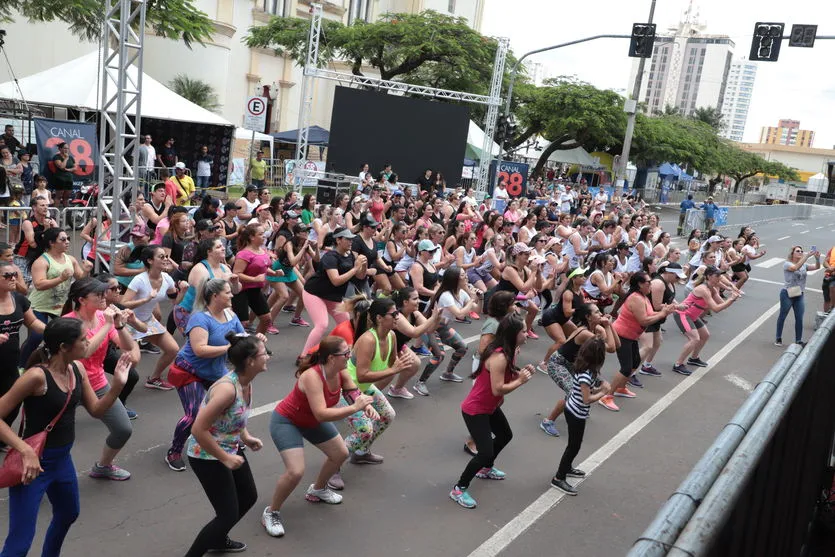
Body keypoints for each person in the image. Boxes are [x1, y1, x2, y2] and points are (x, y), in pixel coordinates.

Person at [0, 317, 131, 557]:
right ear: (63, 347)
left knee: (68, 514)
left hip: (62, 461)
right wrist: (25, 450)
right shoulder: (36, 377)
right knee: (19, 544)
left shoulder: (77, 369)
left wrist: (117, 386)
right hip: (33, 467)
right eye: (82, 339)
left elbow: (96, 410)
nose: (88, 342)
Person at [262, 337, 378, 537]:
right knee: (296, 472)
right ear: (332, 358)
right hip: (287, 422)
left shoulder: (340, 371)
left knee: (340, 453)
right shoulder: (312, 377)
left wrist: (365, 405)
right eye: (345, 354)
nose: (349, 356)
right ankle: (271, 512)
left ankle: (317, 489)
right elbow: (321, 414)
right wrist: (354, 408)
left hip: (311, 421)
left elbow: (352, 391)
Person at [183, 333, 267, 556]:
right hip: (207, 455)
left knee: (248, 496)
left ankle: (217, 538)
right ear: (250, 361)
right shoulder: (226, 389)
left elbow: (234, 416)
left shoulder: (245, 382)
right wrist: (225, 457)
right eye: (263, 354)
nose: (267, 356)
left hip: (229, 447)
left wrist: (245, 437)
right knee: (227, 514)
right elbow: (198, 429)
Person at [449, 314, 533, 509]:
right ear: (513, 334)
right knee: (485, 452)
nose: (527, 333)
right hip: (475, 409)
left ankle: (486, 469)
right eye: (523, 330)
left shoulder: (511, 351)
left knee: (505, 435)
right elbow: (498, 389)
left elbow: (507, 376)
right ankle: (459, 488)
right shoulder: (500, 357)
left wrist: (520, 373)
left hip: (490, 407)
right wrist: (520, 381)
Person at [62, 278, 140, 481]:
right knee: (56, 437)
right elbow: (85, 352)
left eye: (103, 293)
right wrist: (107, 324)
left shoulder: (101, 317)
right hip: (68, 383)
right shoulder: (70, 323)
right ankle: (37, 470)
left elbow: (129, 348)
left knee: (123, 429)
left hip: (96, 382)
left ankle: (103, 467)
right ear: (81, 300)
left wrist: (120, 326)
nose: (104, 297)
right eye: (98, 294)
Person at [165, 278, 246, 472]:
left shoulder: (230, 315)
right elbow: (200, 350)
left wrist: (256, 340)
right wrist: (228, 347)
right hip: (189, 370)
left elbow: (242, 338)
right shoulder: (200, 318)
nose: (232, 294)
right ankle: (174, 451)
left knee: (231, 405)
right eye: (228, 292)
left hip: (216, 372)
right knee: (195, 414)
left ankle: (222, 440)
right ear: (215, 296)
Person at [344, 298, 416, 464]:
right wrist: (394, 370)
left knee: (387, 415)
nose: (398, 317)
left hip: (364, 387)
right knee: (364, 430)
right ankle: (334, 465)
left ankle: (361, 452)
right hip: (347, 389)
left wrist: (402, 363)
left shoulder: (391, 336)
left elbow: (391, 364)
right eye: (394, 314)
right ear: (379, 318)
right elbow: (362, 375)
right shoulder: (368, 340)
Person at [539, 303, 619, 437]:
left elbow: (617, 344)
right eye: (597, 312)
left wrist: (609, 326)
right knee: (572, 393)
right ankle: (548, 421)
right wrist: (607, 326)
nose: (600, 314)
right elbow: (611, 348)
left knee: (594, 383)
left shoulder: (595, 329)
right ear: (588, 317)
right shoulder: (585, 333)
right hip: (558, 364)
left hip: (573, 364)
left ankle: (576, 407)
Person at [599, 272, 676, 412]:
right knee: (626, 368)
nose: (651, 285)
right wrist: (663, 314)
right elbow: (644, 320)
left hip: (631, 336)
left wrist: (665, 311)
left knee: (635, 363)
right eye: (648, 283)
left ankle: (621, 388)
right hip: (621, 336)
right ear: (640, 284)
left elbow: (651, 314)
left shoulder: (644, 297)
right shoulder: (636, 298)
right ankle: (607, 396)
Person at [19, 228, 90, 367]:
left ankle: (55, 364)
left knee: (64, 337)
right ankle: (21, 366)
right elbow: (39, 284)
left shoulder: (71, 259)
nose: (67, 242)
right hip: (38, 306)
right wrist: (60, 278)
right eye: (63, 240)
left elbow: (80, 277)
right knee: (36, 337)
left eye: (68, 238)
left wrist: (86, 270)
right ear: (52, 243)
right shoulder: (42, 261)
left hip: (59, 306)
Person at [549, 337, 611, 496]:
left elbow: (588, 393)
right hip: (576, 412)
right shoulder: (585, 375)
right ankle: (558, 477)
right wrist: (603, 393)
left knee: (574, 444)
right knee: (573, 446)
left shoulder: (588, 370)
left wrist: (599, 390)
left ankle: (567, 468)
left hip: (576, 409)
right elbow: (586, 399)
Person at [120, 245, 180, 391]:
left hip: (148, 321)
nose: (166, 259)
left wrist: (183, 291)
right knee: (131, 361)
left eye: (166, 256)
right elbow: (123, 304)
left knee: (173, 349)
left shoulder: (167, 278)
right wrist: (145, 299)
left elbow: (176, 302)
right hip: (130, 323)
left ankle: (154, 379)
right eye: (161, 257)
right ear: (150, 261)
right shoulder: (139, 280)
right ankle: (117, 387)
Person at [300, 227, 367, 356]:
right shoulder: (330, 257)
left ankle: (344, 352)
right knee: (322, 324)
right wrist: (355, 268)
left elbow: (360, 277)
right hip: (314, 293)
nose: (351, 242)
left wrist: (363, 266)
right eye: (347, 239)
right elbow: (336, 280)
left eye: (351, 239)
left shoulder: (350, 256)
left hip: (333, 297)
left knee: (345, 323)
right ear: (338, 240)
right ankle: (304, 356)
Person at [414, 266, 479, 395]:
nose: (466, 276)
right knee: (439, 355)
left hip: (442, 327)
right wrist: (472, 299)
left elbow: (477, 310)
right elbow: (460, 314)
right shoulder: (446, 295)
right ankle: (420, 383)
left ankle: (448, 373)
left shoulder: (461, 293)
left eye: (465, 274)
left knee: (462, 347)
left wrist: (479, 298)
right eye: (462, 275)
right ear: (454, 279)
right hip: (429, 326)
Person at [672, 266, 740, 374]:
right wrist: (731, 299)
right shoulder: (703, 289)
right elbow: (716, 309)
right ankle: (678, 364)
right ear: (708, 276)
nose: (719, 278)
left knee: (705, 335)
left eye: (720, 275)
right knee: (695, 339)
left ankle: (693, 359)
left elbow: (721, 303)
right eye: (717, 276)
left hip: (692, 316)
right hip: (683, 314)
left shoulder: (712, 289)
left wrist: (732, 298)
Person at [638, 262, 686, 379]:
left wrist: (678, 304)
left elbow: (670, 297)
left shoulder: (669, 283)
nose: (678, 279)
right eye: (677, 276)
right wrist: (676, 308)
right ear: (669, 273)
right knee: (647, 346)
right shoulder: (658, 284)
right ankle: (629, 373)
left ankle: (646, 366)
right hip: (649, 317)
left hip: (657, 319)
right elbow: (657, 305)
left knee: (657, 342)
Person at [231, 223, 274, 335]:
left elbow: (262, 267)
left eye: (264, 234)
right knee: (243, 324)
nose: (264, 236)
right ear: (252, 237)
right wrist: (255, 279)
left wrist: (275, 273)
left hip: (254, 290)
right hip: (240, 291)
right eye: (260, 234)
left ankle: (258, 344)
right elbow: (236, 274)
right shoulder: (244, 254)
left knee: (266, 319)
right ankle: (237, 348)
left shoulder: (262, 250)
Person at [775, 246, 820, 347]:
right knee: (783, 316)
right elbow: (795, 268)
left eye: (801, 251)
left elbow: (817, 267)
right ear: (792, 253)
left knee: (799, 318)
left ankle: (798, 340)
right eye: (798, 251)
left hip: (799, 293)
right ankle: (778, 337)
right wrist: (807, 256)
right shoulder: (787, 264)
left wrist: (817, 259)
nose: (800, 253)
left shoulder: (804, 264)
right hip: (787, 293)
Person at [51, 142, 75, 208]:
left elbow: (75, 168)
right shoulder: (56, 157)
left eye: (67, 148)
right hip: (60, 179)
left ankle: (66, 215)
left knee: (66, 197)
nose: (66, 150)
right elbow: (61, 166)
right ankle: (55, 214)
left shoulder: (71, 158)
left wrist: (68, 170)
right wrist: (66, 158)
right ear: (60, 149)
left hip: (69, 179)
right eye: (64, 148)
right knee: (58, 196)